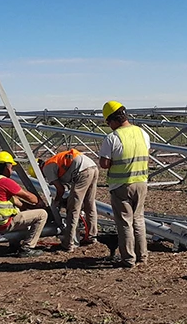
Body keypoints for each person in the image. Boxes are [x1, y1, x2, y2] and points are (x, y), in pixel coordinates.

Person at [97, 101, 151, 268]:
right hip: (141, 183)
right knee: (139, 220)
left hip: (121, 186)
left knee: (125, 223)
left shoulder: (113, 138)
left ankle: (128, 259)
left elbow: (104, 164)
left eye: (108, 122)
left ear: (113, 120)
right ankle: (142, 256)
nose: (108, 126)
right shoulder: (143, 133)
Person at [0, 151, 49, 258]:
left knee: (19, 213)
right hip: (3, 223)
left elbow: (19, 203)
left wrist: (31, 208)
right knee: (42, 214)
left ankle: (14, 245)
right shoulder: (5, 182)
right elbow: (29, 197)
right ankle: (28, 248)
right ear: (7, 168)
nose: (12, 171)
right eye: (12, 168)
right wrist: (39, 203)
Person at [39, 148, 99, 251]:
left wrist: (56, 202)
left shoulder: (46, 168)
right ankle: (92, 236)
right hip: (92, 166)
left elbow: (60, 189)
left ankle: (69, 243)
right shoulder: (53, 162)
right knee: (89, 205)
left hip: (82, 171)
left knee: (73, 209)